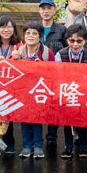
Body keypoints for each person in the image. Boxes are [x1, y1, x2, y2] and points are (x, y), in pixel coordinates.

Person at [12, 21, 55, 158]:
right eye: (28, 33)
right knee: (24, 119)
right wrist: (14, 60)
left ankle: (38, 145)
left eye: (34, 33)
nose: (30, 36)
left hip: (39, 91)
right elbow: (12, 72)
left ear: (40, 36)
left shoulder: (47, 52)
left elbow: (53, 72)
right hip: (23, 91)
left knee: (36, 119)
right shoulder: (18, 51)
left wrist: (41, 67)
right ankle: (26, 145)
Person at [54, 23, 87, 159]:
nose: (75, 44)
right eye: (72, 41)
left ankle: (83, 146)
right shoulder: (60, 54)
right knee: (67, 122)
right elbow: (58, 74)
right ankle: (68, 147)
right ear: (67, 40)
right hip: (67, 91)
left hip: (83, 92)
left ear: (85, 41)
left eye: (79, 41)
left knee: (82, 122)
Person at [38, 0, 67, 148]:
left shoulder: (62, 30)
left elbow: (68, 50)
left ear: (54, 10)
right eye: (43, 8)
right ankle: (36, 139)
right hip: (37, 75)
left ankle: (52, 136)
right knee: (37, 104)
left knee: (54, 105)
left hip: (56, 75)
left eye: (49, 8)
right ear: (39, 11)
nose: (46, 11)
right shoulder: (34, 28)